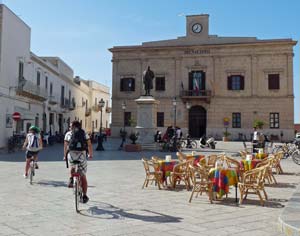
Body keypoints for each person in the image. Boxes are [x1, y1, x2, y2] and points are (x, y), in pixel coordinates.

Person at [64, 121, 93, 204]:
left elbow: (65, 146)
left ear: (73, 127)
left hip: (72, 155)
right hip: (82, 156)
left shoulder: (68, 134)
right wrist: (90, 154)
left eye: (70, 126)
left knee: (72, 166)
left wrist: (64, 155)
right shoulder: (84, 133)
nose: (69, 128)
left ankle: (71, 179)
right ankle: (84, 195)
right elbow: (89, 145)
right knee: (83, 175)